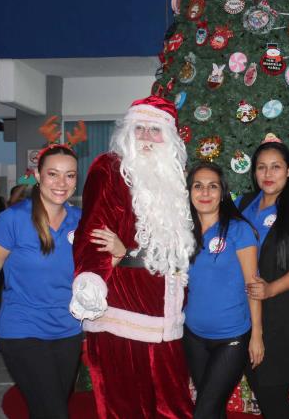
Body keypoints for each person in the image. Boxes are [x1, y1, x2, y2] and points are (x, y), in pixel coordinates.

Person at [69, 96, 195, 419]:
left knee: (173, 406)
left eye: (156, 130)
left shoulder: (174, 178)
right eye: (141, 129)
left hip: (166, 318)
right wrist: (91, 277)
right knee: (125, 408)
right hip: (122, 315)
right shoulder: (110, 168)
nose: (148, 137)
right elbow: (93, 229)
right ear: (128, 131)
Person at [0, 145, 82, 419]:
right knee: (54, 412)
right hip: (23, 330)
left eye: (70, 175)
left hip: (68, 331)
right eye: (53, 174)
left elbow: (97, 270)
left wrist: (118, 248)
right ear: (38, 176)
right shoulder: (13, 219)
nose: (61, 183)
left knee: (48, 410)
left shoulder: (82, 220)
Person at [237, 136, 289, 419]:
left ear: (288, 170)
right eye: (261, 168)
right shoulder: (244, 204)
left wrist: (272, 289)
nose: (268, 174)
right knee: (264, 389)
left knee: (271, 391)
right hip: (245, 310)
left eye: (275, 167)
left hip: (283, 311)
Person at [182, 163, 263, 419]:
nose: (205, 192)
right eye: (198, 186)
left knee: (203, 411)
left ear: (222, 192)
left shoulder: (239, 230)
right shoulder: (183, 232)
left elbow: (253, 284)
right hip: (193, 336)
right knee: (213, 408)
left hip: (232, 338)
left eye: (212, 186)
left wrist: (257, 335)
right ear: (189, 191)